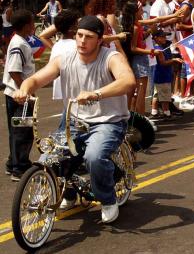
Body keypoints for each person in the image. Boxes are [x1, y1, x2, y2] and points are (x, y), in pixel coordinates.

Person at [13, 15, 136, 223]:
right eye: (79, 35)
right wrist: (25, 88)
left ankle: (107, 199)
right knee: (49, 159)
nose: (82, 41)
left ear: (100, 39)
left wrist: (96, 94)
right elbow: (37, 78)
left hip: (108, 122)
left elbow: (128, 82)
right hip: (75, 122)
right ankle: (68, 194)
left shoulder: (111, 58)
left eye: (88, 37)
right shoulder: (64, 59)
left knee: (93, 157)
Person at [3, 9, 35, 181]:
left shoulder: (20, 41)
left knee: (16, 130)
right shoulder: (19, 44)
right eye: (31, 22)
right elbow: (15, 71)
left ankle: (12, 162)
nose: (33, 25)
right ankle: (19, 167)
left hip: (15, 93)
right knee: (22, 132)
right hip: (18, 96)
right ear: (25, 25)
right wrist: (25, 92)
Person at [150, 28, 184, 120]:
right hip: (162, 76)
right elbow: (163, 62)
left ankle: (154, 112)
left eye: (165, 36)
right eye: (162, 36)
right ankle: (166, 113)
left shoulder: (160, 48)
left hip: (160, 76)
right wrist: (174, 60)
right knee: (165, 96)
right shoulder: (159, 50)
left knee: (157, 95)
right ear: (156, 38)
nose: (165, 38)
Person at [51, 10, 80, 101]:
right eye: (76, 23)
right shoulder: (75, 45)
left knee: (67, 110)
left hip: (62, 88)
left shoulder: (57, 45)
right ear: (72, 27)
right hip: (72, 89)